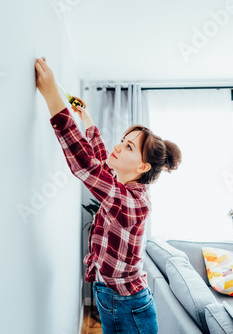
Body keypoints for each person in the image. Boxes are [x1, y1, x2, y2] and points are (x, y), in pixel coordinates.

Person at [35, 57, 182, 334]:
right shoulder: (125, 183)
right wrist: (86, 117)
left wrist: (52, 97)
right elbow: (102, 158)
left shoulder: (131, 203)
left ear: (141, 167)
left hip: (127, 306)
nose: (118, 146)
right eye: (123, 140)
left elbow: (87, 165)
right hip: (115, 296)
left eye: (127, 147)